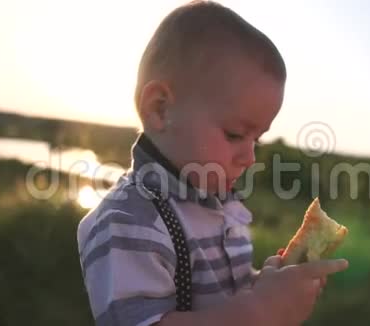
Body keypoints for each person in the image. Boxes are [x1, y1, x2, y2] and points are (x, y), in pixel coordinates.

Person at [77, 1, 348, 325]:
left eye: (256, 139)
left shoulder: (221, 205)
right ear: (161, 109)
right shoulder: (129, 221)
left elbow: (224, 300)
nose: (249, 157)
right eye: (235, 134)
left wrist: (267, 285)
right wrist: (262, 311)